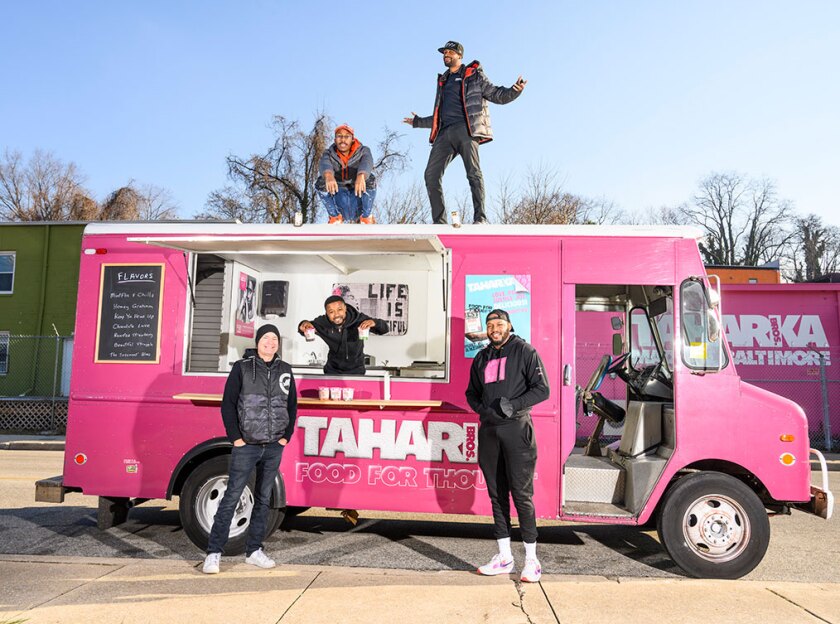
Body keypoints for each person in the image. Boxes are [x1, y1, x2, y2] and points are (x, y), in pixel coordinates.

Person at [202, 323, 297, 574]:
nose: (270, 342)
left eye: (274, 339)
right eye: (266, 338)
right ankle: (213, 553)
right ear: (257, 342)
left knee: (264, 500)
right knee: (232, 496)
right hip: (247, 445)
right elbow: (228, 405)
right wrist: (236, 438)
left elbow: (292, 405)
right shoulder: (242, 368)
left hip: (274, 445)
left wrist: (285, 437)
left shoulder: (285, 370)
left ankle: (254, 550)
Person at [465, 309, 549, 583]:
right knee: (496, 495)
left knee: (521, 495)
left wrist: (512, 406)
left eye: (499, 323)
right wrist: (483, 412)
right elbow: (471, 393)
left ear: (509, 325)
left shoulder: (524, 351)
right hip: (490, 432)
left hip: (517, 430)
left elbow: (541, 389)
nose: (494, 328)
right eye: (490, 325)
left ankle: (532, 561)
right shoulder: (481, 357)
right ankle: (504, 557)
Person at [403, 41, 527, 225]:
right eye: (444, 52)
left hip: (466, 129)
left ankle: (480, 218)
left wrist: (514, 91)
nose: (446, 54)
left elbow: (495, 94)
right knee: (431, 175)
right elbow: (439, 115)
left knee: (473, 173)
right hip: (444, 134)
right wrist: (418, 122)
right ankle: (440, 222)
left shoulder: (474, 76)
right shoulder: (443, 81)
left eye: (450, 52)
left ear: (459, 56)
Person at [298, 295, 388, 375]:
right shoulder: (323, 323)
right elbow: (305, 327)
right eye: (331, 312)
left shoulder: (358, 319)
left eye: (339, 309)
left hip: (356, 371)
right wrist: (304, 324)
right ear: (327, 313)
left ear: (345, 308)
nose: (336, 315)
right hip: (332, 371)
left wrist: (374, 322)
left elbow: (384, 329)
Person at [316, 124, 377, 224]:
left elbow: (367, 161)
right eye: (339, 136)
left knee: (370, 178)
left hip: (357, 197)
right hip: (339, 197)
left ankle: (366, 217)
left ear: (352, 139)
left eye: (346, 137)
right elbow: (324, 162)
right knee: (321, 182)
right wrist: (328, 175)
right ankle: (334, 217)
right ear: (335, 140)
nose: (343, 140)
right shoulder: (328, 153)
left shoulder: (363, 150)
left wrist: (361, 175)